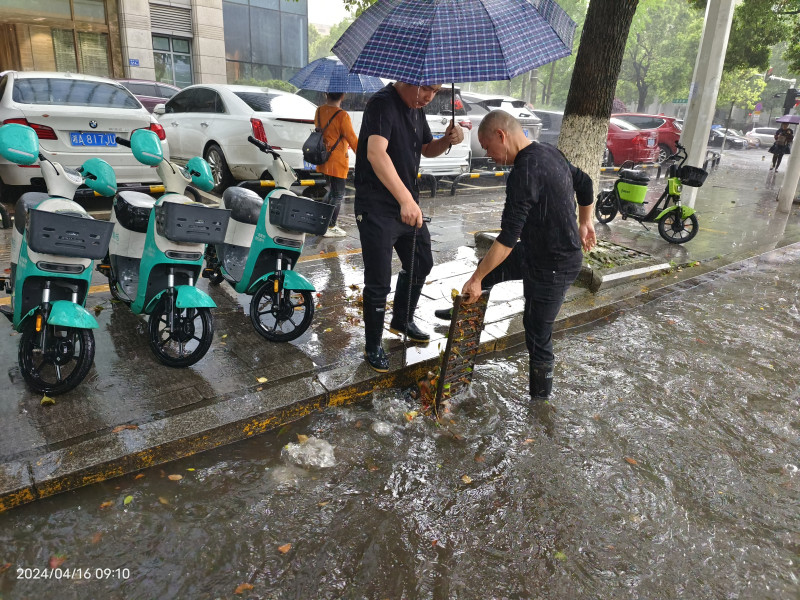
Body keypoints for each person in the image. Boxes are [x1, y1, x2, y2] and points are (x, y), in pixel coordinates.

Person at [434, 109, 596, 401]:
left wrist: (475, 276)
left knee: (536, 332)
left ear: (501, 135)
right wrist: (586, 221)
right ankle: (466, 307)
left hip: (555, 265)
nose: (488, 154)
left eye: (487, 147)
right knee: (493, 271)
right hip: (538, 249)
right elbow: (584, 183)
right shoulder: (548, 151)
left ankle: (540, 402)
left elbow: (508, 238)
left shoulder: (524, 172)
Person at [354, 82, 464, 372]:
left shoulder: (417, 108)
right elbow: (376, 153)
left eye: (436, 91)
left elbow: (427, 149)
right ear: (407, 78)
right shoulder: (382, 103)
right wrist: (405, 199)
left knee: (422, 261)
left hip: (406, 205)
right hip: (377, 206)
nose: (430, 97)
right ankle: (373, 344)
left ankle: (402, 318)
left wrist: (447, 140)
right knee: (378, 280)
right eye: (426, 89)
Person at [315, 92, 359, 237]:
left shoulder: (319, 111)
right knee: (338, 194)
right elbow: (352, 139)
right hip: (338, 161)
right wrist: (366, 157)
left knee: (332, 191)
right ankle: (331, 225)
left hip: (323, 159)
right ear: (343, 96)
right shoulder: (342, 115)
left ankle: (322, 221)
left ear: (326, 94)